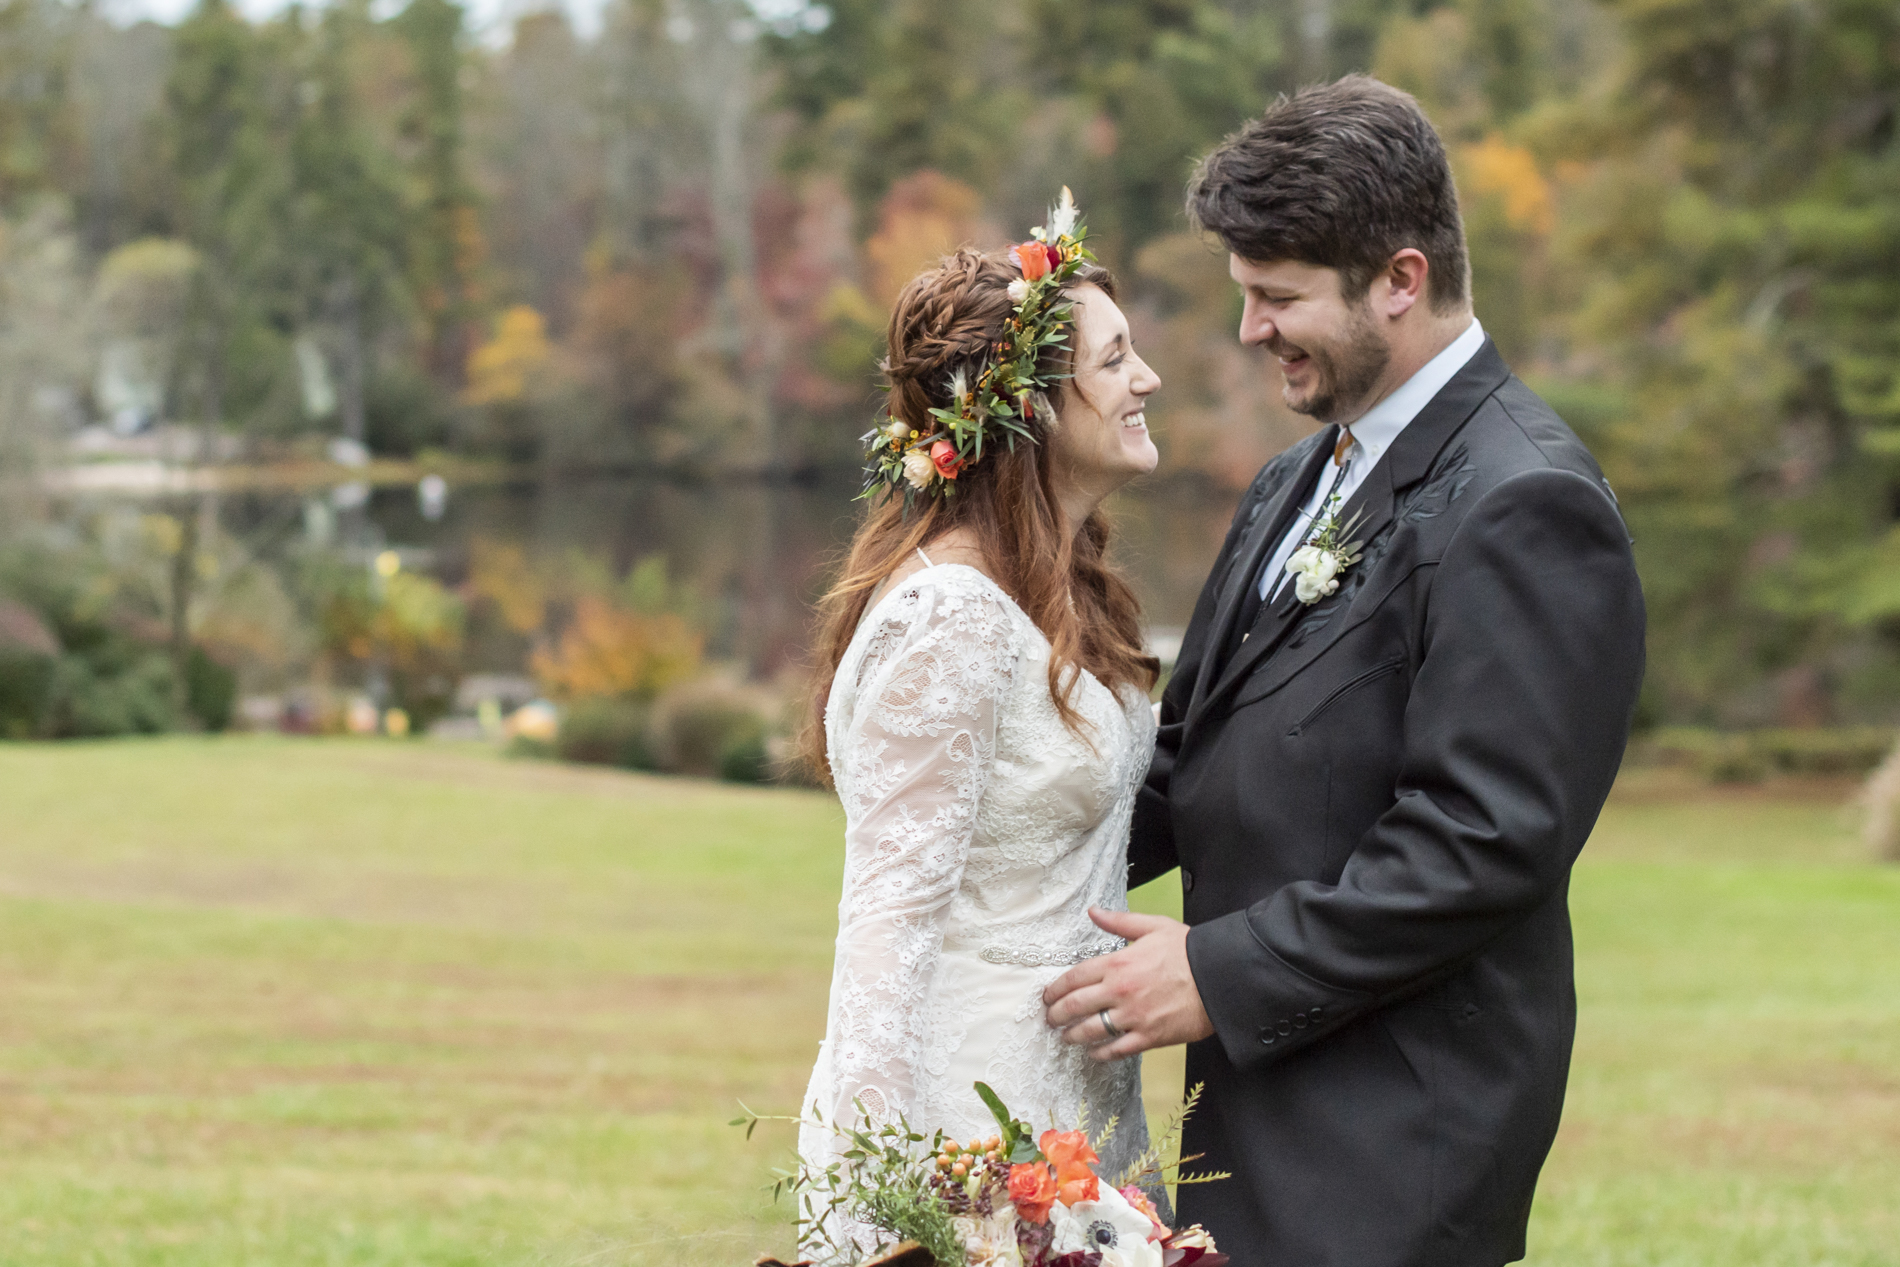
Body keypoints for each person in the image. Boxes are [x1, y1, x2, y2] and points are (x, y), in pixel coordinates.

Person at [1040, 76, 1647, 1265]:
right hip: (1263, 1111)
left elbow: (1486, 836)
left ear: (1400, 281)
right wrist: (1008, 823)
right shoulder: (1296, 478)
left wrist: (1221, 970)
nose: (1248, 330)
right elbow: (1194, 749)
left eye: (1277, 298)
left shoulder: (1528, 504)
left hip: (1389, 1142)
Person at [796, 197, 1167, 1254]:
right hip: (971, 1134)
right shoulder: (951, 616)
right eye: (1114, 360)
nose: (1145, 380)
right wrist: (885, 1210)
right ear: (1034, 409)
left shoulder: (1059, 589)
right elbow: (884, 930)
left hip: (1075, 1114)